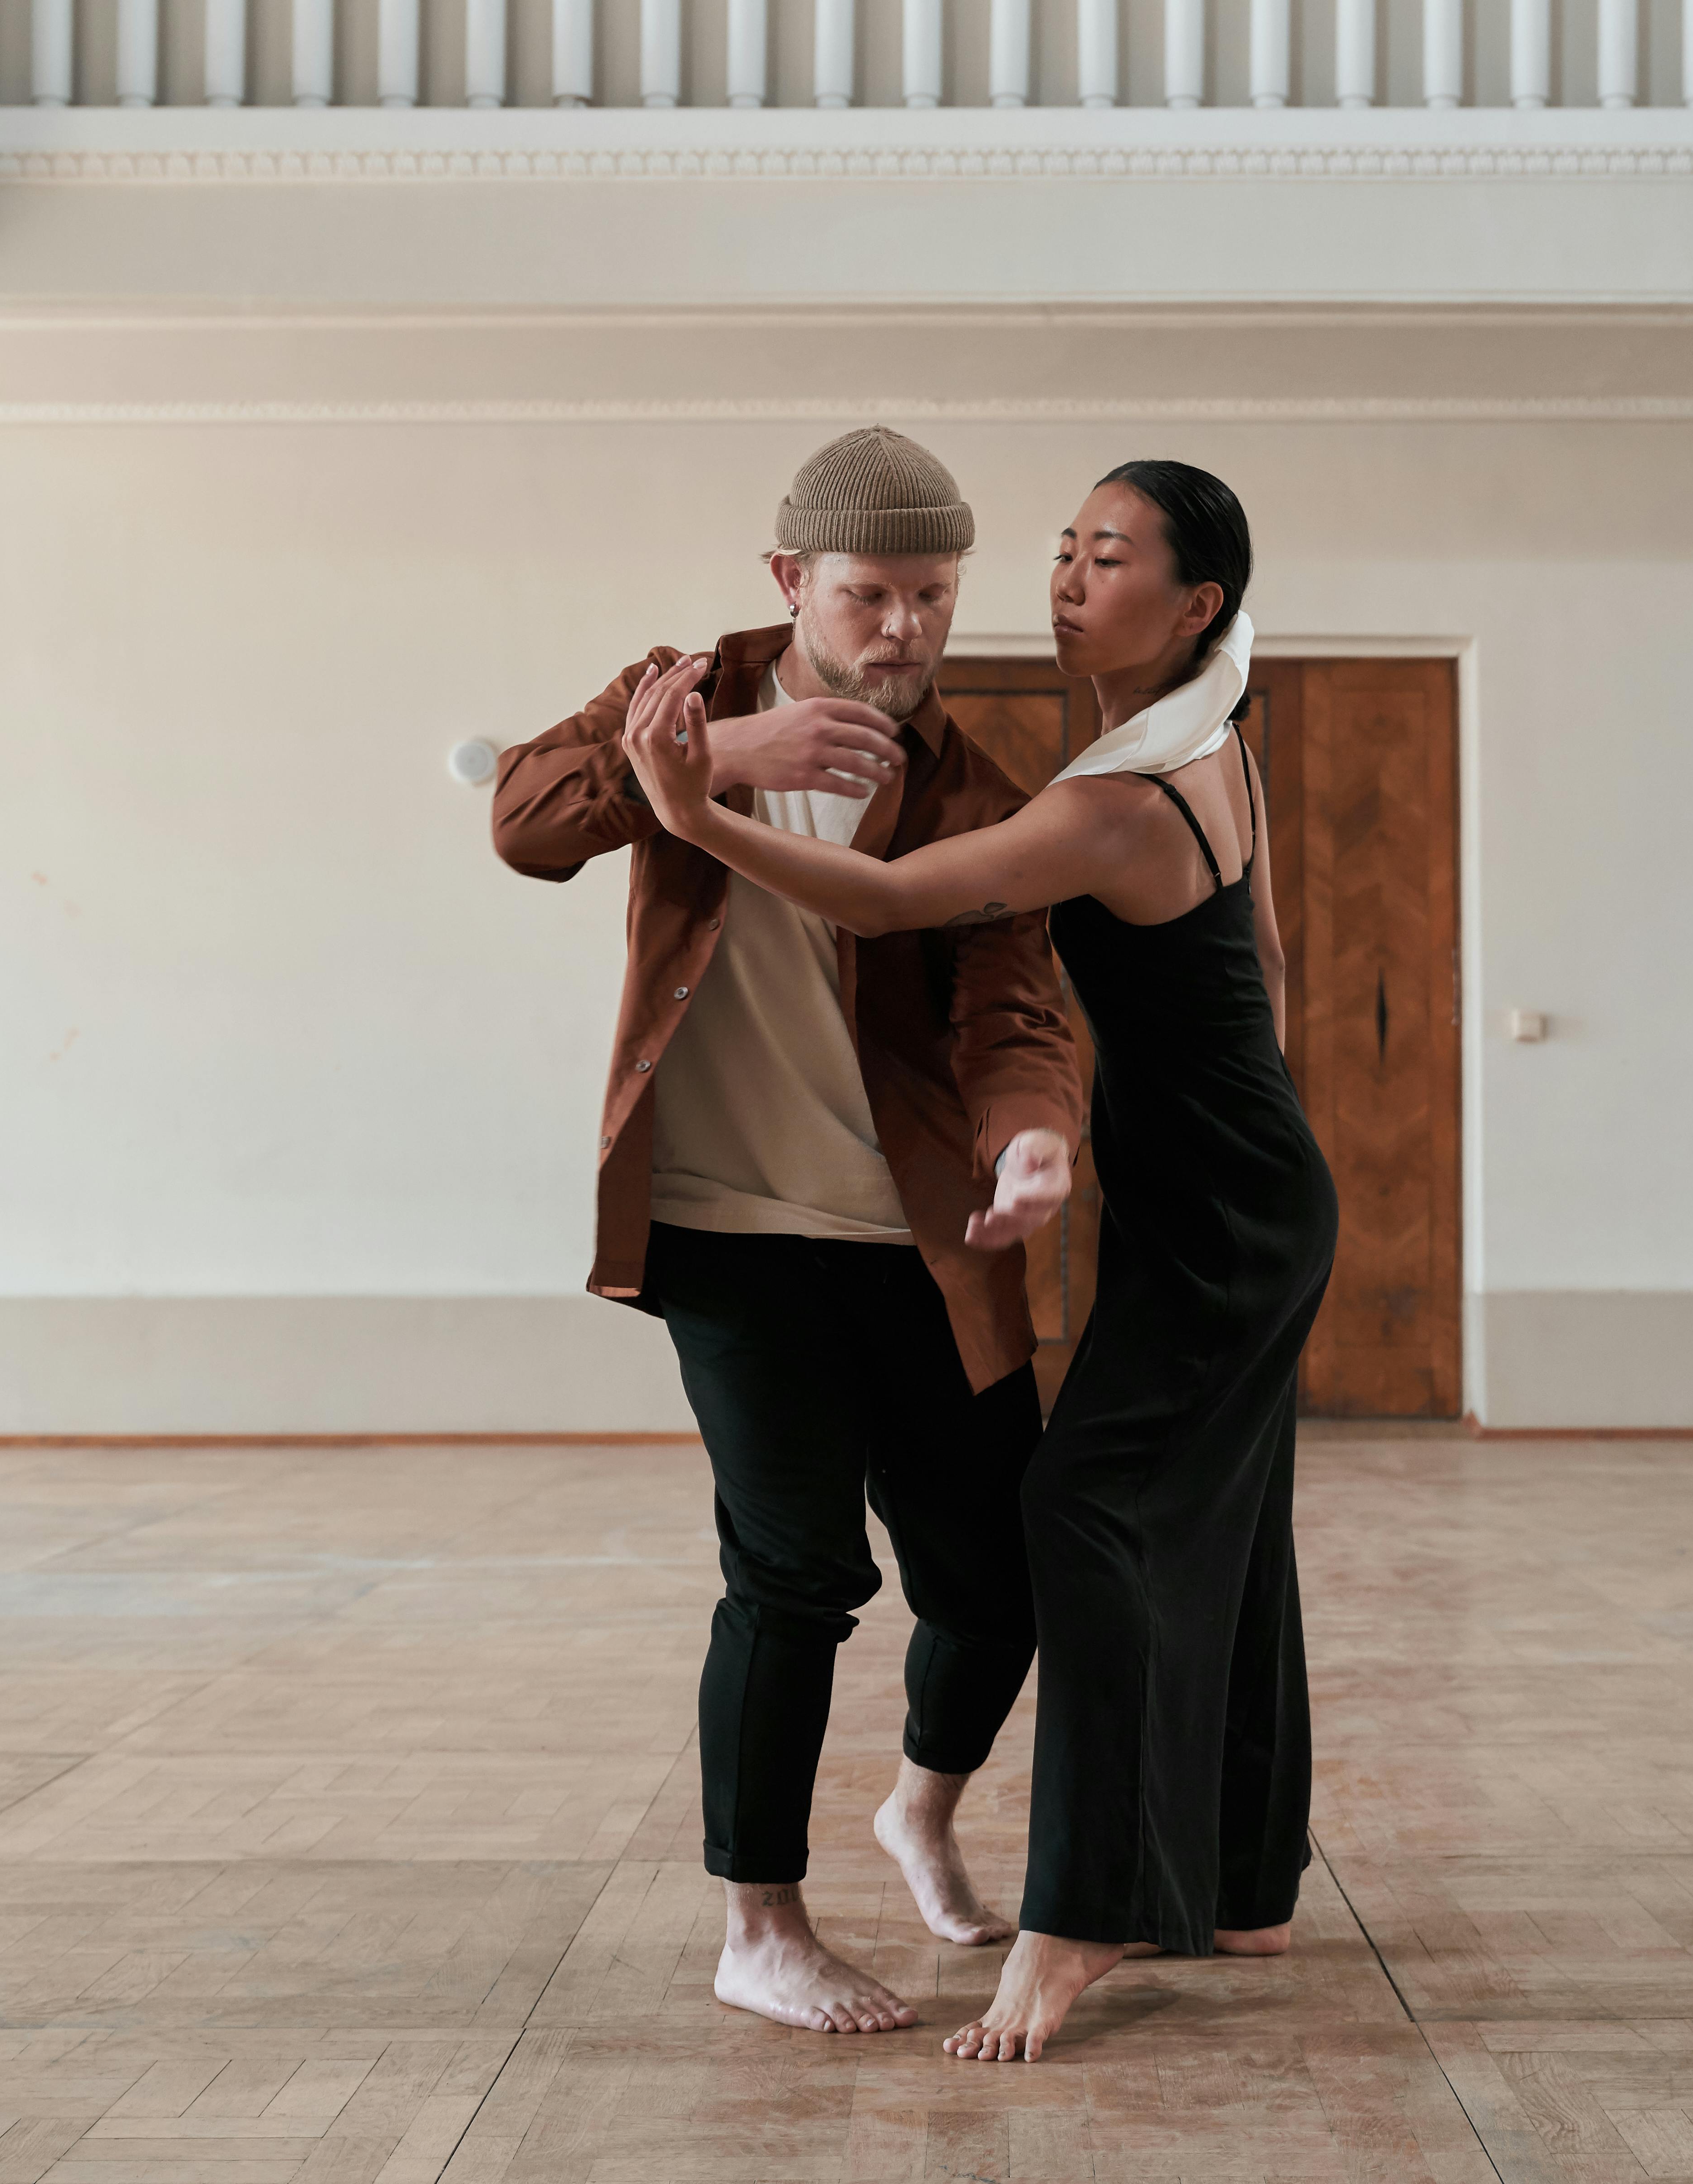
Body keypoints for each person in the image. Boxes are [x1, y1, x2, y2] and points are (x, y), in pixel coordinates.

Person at [618, 459, 1335, 2064]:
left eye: (1107, 558)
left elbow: (904, 923)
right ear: (795, 579)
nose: (1064, 584)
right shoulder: (1207, 733)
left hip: (1197, 1214)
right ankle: (1239, 1881)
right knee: (1215, 1519)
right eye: (1063, 552)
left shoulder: (1093, 793)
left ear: (1196, 602)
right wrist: (703, 764)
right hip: (1218, 1198)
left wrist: (688, 814)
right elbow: (1267, 967)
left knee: (1075, 1521)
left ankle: (1074, 1925)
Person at [490, 427, 1085, 2036]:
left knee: (1000, 1585)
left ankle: (923, 1810)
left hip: (922, 1249)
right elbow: (526, 822)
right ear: (789, 585)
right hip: (725, 1229)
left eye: (933, 596)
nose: (902, 627)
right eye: (869, 593)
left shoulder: (971, 790)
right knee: (797, 1573)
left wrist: (1036, 1136)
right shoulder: (680, 698)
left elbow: (1013, 1006)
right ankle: (758, 1923)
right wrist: (707, 772)